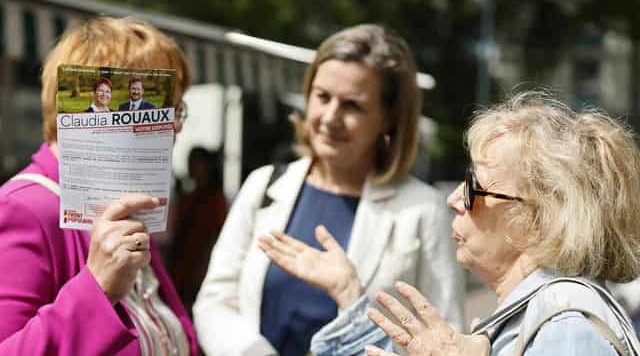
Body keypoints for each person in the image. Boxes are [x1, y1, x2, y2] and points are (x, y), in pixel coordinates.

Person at [295, 91, 640, 355]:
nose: (454, 199)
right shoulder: (539, 315)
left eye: (475, 186)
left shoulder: (567, 327)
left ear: (538, 218)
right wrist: (348, 294)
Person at [193, 24, 465, 356]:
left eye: (352, 105)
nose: (330, 117)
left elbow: (447, 339)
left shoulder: (423, 210)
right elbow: (215, 301)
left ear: (389, 119)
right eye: (322, 96)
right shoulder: (264, 184)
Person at [0, 17, 198, 355]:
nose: (175, 126)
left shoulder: (121, 205)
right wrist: (97, 289)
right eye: (165, 103)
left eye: (176, 108)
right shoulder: (26, 209)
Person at [167, 147, 228, 314]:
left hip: (201, 270)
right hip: (181, 269)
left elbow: (217, 236)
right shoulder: (188, 197)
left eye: (195, 163)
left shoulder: (216, 200)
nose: (191, 167)